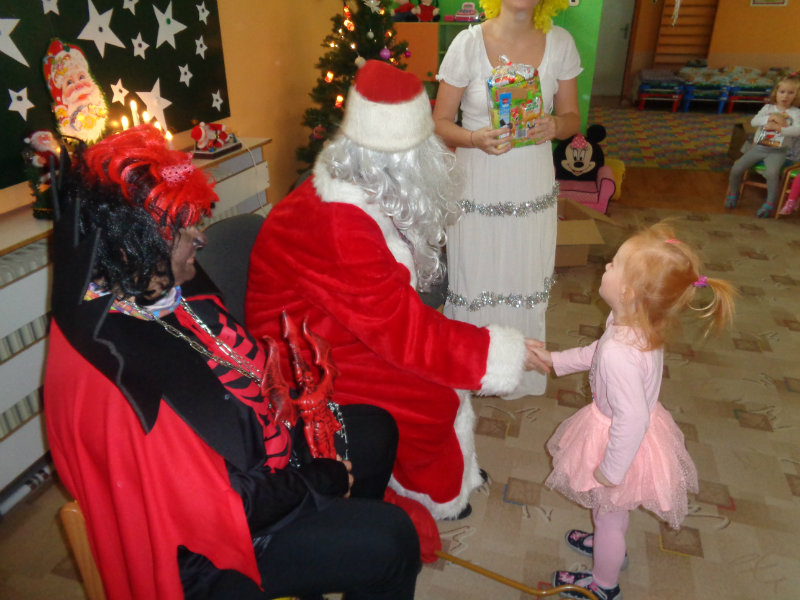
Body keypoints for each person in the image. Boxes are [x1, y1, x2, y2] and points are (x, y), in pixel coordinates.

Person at [44, 124, 421, 600]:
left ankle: (336, 554)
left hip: (259, 462)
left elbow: (239, 371)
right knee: (391, 540)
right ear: (135, 246)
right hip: (215, 545)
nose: (199, 239)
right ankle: (343, 549)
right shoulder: (121, 377)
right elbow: (216, 509)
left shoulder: (149, 284)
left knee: (375, 430)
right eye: (182, 232)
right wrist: (317, 481)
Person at [245, 60, 548, 528]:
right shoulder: (339, 224)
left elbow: (388, 311)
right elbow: (402, 330)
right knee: (426, 396)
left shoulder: (360, 186)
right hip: (301, 354)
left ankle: (445, 478)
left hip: (335, 326)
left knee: (438, 373)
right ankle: (432, 494)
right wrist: (497, 350)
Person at [532, 223, 737, 600]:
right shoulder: (635, 322)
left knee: (609, 513)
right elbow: (596, 353)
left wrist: (612, 470)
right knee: (611, 511)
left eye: (614, 265)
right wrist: (555, 360)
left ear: (627, 292)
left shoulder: (620, 353)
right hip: (633, 433)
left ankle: (603, 585)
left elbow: (632, 419)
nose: (606, 266)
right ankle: (606, 545)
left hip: (620, 441)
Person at [432, 0, 582, 399]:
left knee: (523, 272)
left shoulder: (561, 42)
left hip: (530, 182)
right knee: (474, 273)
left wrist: (555, 125)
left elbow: (572, 118)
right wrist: (472, 138)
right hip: (478, 181)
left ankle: (517, 370)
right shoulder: (467, 44)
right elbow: (440, 122)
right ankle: (470, 369)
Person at [724, 73, 800, 218]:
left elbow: (797, 131)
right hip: (758, 149)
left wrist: (780, 129)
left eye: (790, 93)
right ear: (776, 93)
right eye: (782, 92)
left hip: (778, 152)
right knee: (736, 168)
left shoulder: (795, 113)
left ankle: (769, 203)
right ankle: (733, 193)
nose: (785, 96)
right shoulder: (768, 108)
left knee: (772, 174)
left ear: (796, 95)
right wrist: (769, 118)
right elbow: (754, 122)